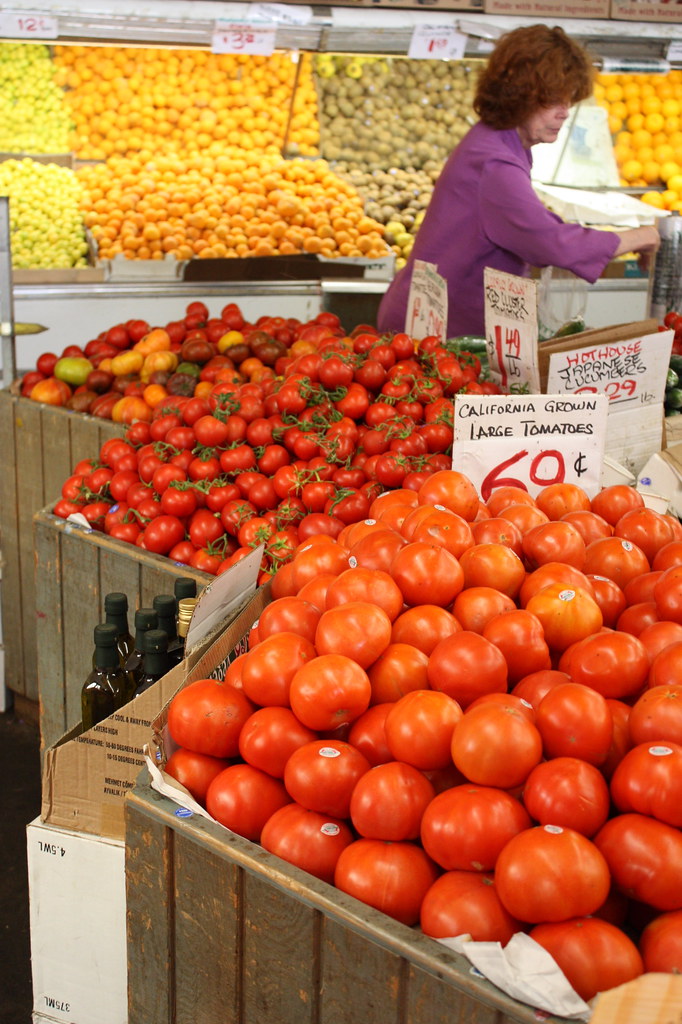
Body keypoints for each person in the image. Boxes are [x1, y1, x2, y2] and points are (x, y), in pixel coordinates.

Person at [376, 24, 660, 339]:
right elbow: (548, 241)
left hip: (436, 321)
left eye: (569, 99)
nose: (564, 113)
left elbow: (522, 226)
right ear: (519, 95)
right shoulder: (496, 162)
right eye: (552, 99)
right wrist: (642, 236)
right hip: (431, 332)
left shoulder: (498, 141)